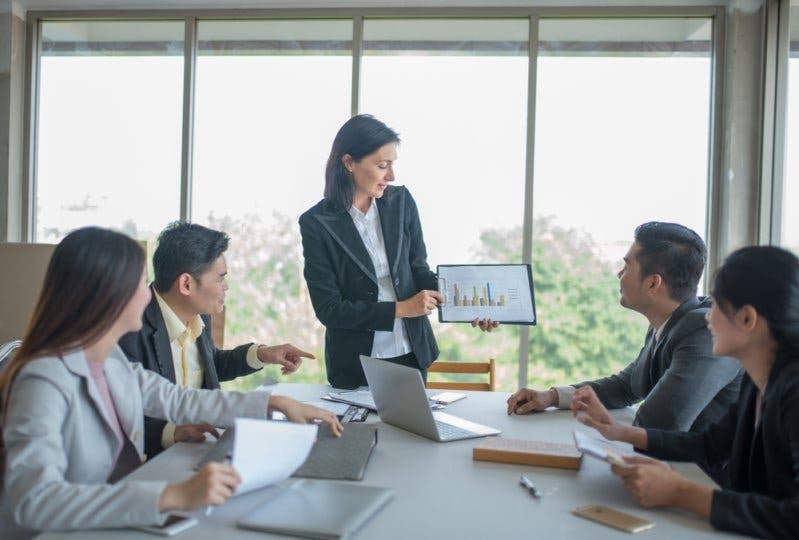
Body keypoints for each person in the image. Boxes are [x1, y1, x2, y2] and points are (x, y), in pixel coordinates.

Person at [0, 227, 341, 539]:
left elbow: (180, 400)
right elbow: (33, 500)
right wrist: (173, 495)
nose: (148, 295)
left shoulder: (112, 363)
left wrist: (273, 404)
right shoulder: (43, 381)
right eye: (138, 284)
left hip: (107, 521)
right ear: (106, 295)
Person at [571, 246, 799, 538]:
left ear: (747, 319)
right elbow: (709, 445)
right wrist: (620, 432)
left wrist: (679, 492)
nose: (707, 318)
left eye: (716, 306)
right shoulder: (759, 381)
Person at [299, 114, 495, 389]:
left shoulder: (401, 202)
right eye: (382, 166)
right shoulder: (316, 223)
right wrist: (401, 309)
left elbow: (418, 271)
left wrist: (469, 306)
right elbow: (330, 310)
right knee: (360, 433)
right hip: (355, 363)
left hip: (411, 352)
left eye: (392, 165)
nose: (391, 176)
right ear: (348, 163)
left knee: (413, 432)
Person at [507, 222, 742, 433]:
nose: (619, 274)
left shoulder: (704, 330)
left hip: (704, 477)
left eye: (627, 268)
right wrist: (551, 396)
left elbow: (660, 423)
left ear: (653, 283)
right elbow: (627, 386)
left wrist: (609, 429)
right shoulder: (668, 323)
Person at [119, 222, 315, 459]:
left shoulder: (199, 313)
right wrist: (172, 432)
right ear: (186, 284)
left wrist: (263, 354)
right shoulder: (130, 330)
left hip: (201, 447)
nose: (226, 287)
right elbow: (122, 422)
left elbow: (208, 364)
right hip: (156, 459)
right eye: (220, 278)